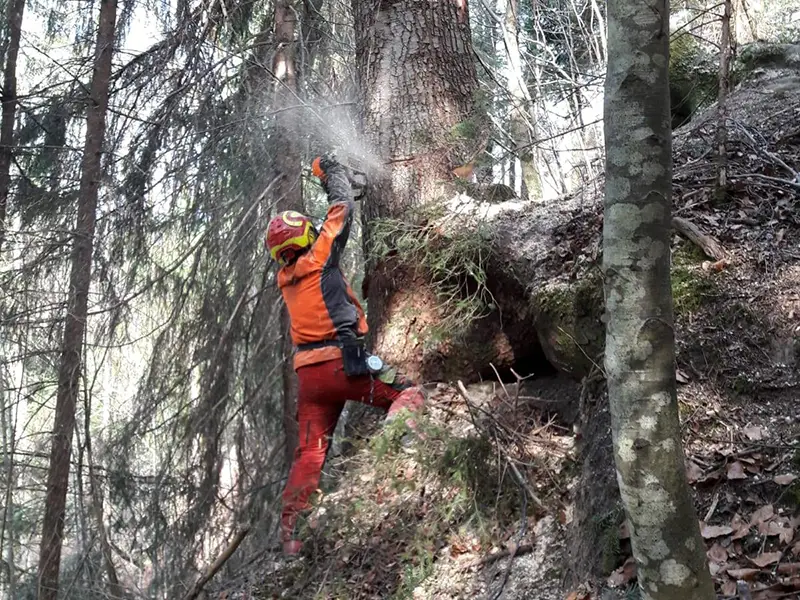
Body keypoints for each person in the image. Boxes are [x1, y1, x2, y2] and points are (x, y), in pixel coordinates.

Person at [265, 155, 425, 556]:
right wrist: (329, 171)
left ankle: (292, 535)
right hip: (344, 363)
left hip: (310, 379)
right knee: (407, 393)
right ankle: (394, 463)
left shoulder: (285, 278)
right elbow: (341, 210)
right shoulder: (319, 256)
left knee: (310, 453)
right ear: (304, 238)